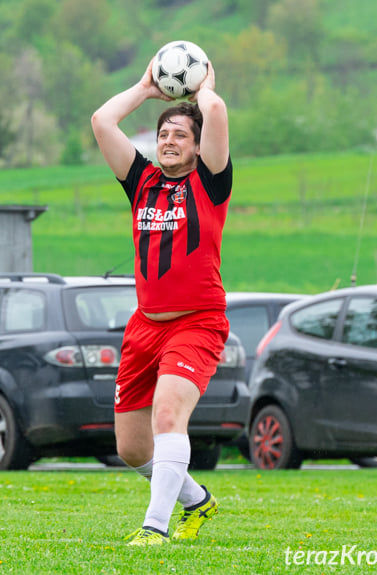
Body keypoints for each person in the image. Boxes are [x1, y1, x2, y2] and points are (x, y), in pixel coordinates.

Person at [91, 56, 231, 546]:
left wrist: (206, 90)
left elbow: (217, 118)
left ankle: (155, 528)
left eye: (180, 135)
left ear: (198, 147)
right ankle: (197, 501)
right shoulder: (142, 181)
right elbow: (102, 121)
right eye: (163, 134)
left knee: (168, 416)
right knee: (132, 449)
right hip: (145, 326)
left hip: (198, 322)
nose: (169, 142)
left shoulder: (210, 183)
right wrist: (147, 88)